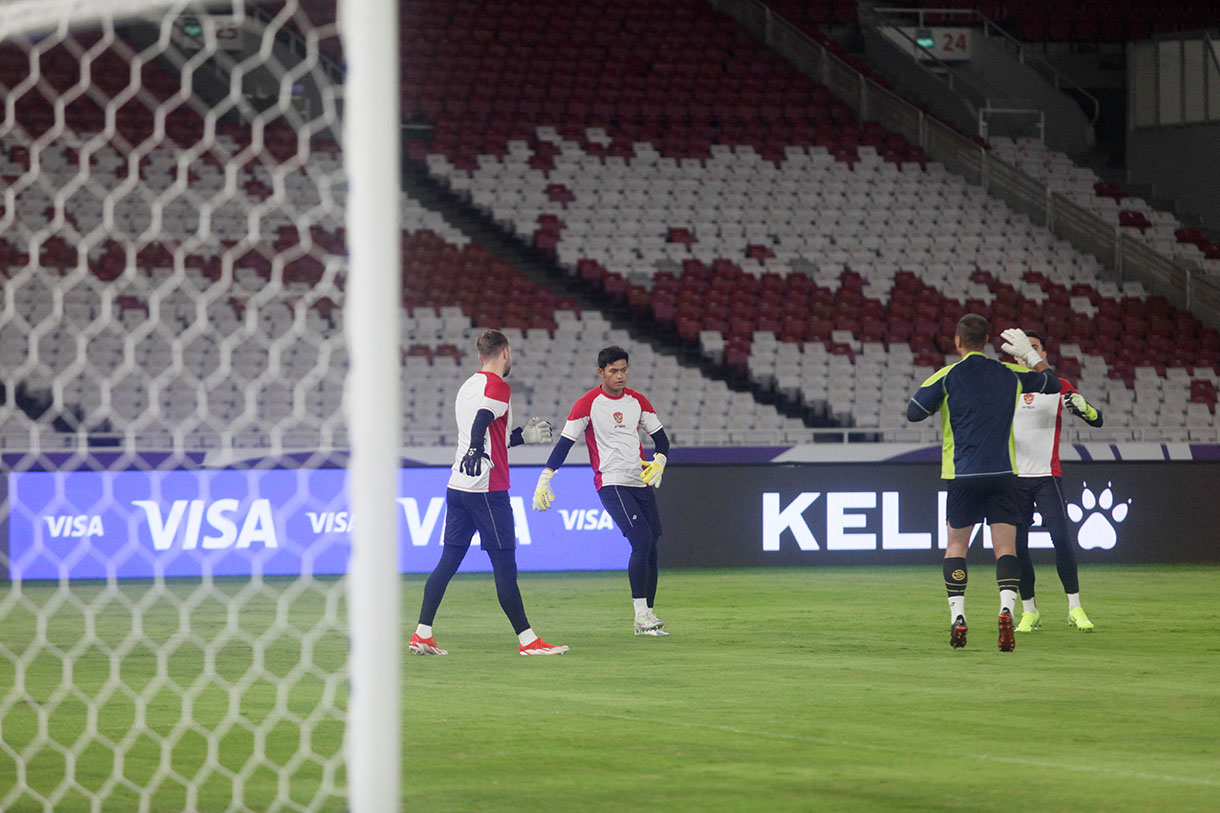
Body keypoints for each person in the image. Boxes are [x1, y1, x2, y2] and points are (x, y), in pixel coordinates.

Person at [408, 329, 569, 656]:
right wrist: (475, 448)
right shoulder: (499, 386)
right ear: (505, 353)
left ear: (480, 356)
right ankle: (528, 641)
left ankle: (422, 634)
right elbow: (482, 422)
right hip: (487, 490)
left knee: (448, 561)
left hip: (458, 486)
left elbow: (491, 436)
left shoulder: (468, 386)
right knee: (505, 565)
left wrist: (523, 437)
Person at [907, 314, 1061, 652]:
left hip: (962, 475)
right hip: (1003, 474)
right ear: (989, 340)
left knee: (956, 547)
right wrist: (1034, 358)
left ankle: (958, 618)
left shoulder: (947, 376)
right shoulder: (1008, 373)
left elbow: (914, 411)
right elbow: (1053, 385)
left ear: (958, 342)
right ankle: (1006, 610)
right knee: (1005, 548)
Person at [532, 345, 671, 636]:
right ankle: (641, 615)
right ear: (601, 372)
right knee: (642, 541)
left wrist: (660, 459)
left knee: (653, 546)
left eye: (624, 370)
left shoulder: (638, 401)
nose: (620, 376)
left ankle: (647, 617)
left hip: (639, 480)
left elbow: (661, 439)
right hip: (611, 481)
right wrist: (546, 476)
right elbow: (564, 444)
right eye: (614, 371)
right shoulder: (587, 404)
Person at [1007, 329, 1104, 633]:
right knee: (1018, 546)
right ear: (1014, 356)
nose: (1027, 352)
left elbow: (1095, 418)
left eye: (1033, 348)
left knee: (1062, 540)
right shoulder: (1006, 386)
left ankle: (1074, 608)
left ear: (1043, 354)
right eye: (1023, 348)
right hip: (1015, 478)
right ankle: (1030, 611)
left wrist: (1084, 407)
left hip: (1048, 477)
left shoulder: (1058, 386)